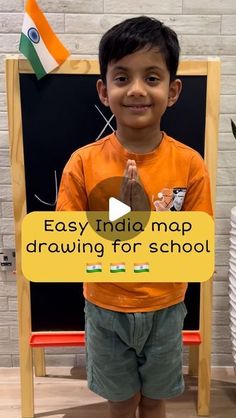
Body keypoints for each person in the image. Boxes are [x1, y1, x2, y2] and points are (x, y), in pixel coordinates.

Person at [56, 16, 213, 418]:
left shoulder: (190, 164)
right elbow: (65, 245)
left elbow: (198, 248)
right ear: (104, 91)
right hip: (105, 306)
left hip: (165, 305)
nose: (137, 90)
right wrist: (120, 219)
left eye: (153, 77)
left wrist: (148, 223)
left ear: (173, 91)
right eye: (122, 78)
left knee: (156, 399)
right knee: (122, 401)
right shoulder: (83, 162)